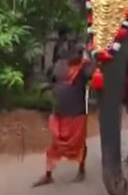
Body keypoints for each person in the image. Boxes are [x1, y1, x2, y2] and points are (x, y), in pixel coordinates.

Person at [33, 43, 93, 187]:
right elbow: (54, 82)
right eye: (77, 52)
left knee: (79, 144)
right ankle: (48, 174)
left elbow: (92, 74)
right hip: (59, 112)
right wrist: (45, 88)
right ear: (69, 53)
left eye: (81, 52)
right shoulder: (59, 66)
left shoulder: (85, 67)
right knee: (55, 144)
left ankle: (81, 170)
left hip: (76, 113)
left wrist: (90, 54)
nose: (79, 55)